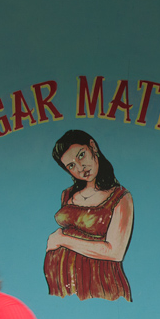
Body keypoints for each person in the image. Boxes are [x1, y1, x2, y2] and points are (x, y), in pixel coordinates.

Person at [44, 129, 134, 301]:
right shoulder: (67, 195)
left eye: (81, 155)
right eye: (71, 166)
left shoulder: (120, 197)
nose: (80, 167)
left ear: (93, 147)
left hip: (101, 286)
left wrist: (61, 240)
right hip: (62, 287)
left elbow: (115, 252)